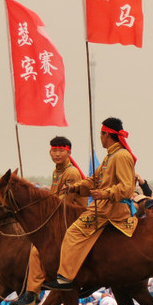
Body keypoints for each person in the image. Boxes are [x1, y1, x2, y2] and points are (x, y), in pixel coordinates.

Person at [42, 119, 137, 290]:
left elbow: (126, 187)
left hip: (111, 209)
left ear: (106, 134)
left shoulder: (121, 156)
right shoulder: (110, 156)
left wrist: (104, 193)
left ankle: (65, 278)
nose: (100, 138)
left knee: (73, 233)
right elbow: (93, 180)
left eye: (101, 134)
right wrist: (74, 188)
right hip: (103, 207)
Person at [13, 136, 86, 305]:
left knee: (37, 250)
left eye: (61, 150)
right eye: (54, 150)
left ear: (69, 152)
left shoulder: (71, 173)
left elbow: (61, 202)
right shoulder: (57, 171)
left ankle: (32, 292)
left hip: (72, 219)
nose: (57, 154)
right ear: (50, 152)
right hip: (60, 218)